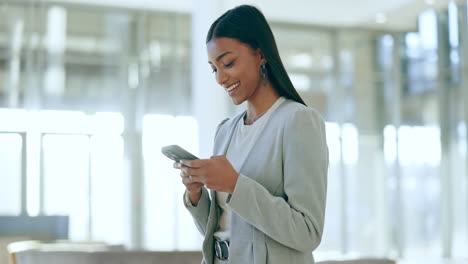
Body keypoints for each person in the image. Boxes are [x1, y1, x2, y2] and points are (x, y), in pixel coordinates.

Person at [173, 5, 329, 264]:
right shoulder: (225, 131)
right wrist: (196, 194)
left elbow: (307, 232)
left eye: (228, 63)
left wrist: (234, 184)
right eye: (214, 69)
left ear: (260, 55)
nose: (220, 78)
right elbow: (223, 231)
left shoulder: (298, 121)